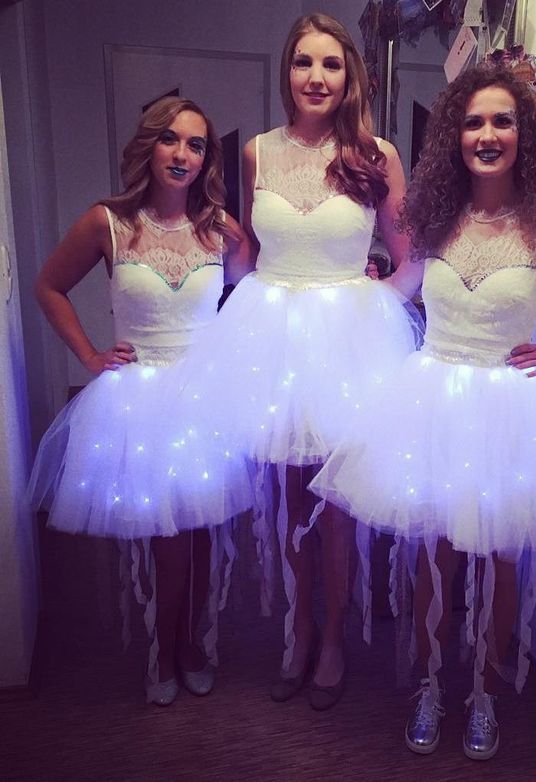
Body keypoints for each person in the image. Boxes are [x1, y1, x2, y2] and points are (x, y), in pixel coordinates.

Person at [310, 64, 536, 757]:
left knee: (500, 560)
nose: (486, 134)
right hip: (433, 397)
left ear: (523, 134)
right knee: (433, 557)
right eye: (473, 121)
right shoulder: (432, 220)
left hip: (510, 412)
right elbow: (404, 284)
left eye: (501, 120)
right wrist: (365, 287)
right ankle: (428, 686)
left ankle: (482, 695)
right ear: (454, 135)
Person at [173, 13, 419, 710]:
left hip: (349, 340)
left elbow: (410, 258)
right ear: (287, 71)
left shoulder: (378, 154)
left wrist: (377, 301)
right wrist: (219, 243)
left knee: (336, 500)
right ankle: (298, 631)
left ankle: (335, 637)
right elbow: (253, 256)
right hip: (271, 334)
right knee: (287, 500)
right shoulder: (256, 152)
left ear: (350, 77)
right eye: (304, 63)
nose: (316, 77)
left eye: (331, 65)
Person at [29, 97, 254, 706]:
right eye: (170, 140)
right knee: (166, 535)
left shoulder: (222, 228)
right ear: (148, 147)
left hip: (206, 397)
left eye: (197, 144)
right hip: (141, 399)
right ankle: (165, 644)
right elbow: (49, 286)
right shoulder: (107, 222)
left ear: (208, 157)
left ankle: (190, 644)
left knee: (203, 529)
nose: (183, 154)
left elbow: (260, 292)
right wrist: (91, 357)